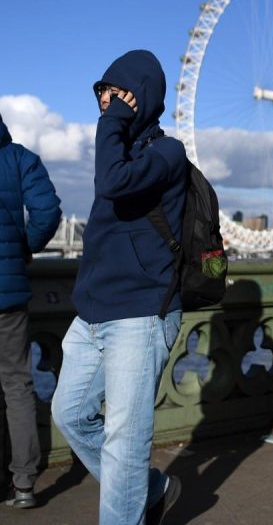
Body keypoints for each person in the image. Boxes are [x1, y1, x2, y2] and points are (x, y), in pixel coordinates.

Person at [51, 50, 186, 525]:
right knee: (70, 415)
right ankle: (150, 489)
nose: (107, 102)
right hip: (93, 313)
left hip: (141, 314)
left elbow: (113, 182)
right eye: (102, 94)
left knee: (124, 443)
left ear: (142, 95)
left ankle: (130, 501)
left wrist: (110, 124)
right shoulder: (117, 150)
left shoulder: (168, 154)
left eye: (117, 93)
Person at [0, 113, 62, 508]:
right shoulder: (19, 158)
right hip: (9, 295)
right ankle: (23, 483)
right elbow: (47, 212)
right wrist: (25, 247)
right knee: (18, 385)